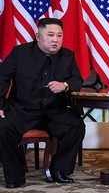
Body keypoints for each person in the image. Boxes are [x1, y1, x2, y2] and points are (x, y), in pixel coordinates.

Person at [0, 18, 85, 188]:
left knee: (76, 126)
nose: (56, 39)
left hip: (54, 111)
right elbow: (1, 78)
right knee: (3, 126)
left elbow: (77, 79)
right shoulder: (20, 53)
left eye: (59, 35)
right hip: (23, 110)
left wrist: (65, 85)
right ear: (38, 36)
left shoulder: (67, 56)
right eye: (51, 35)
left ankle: (59, 169)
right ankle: (15, 175)